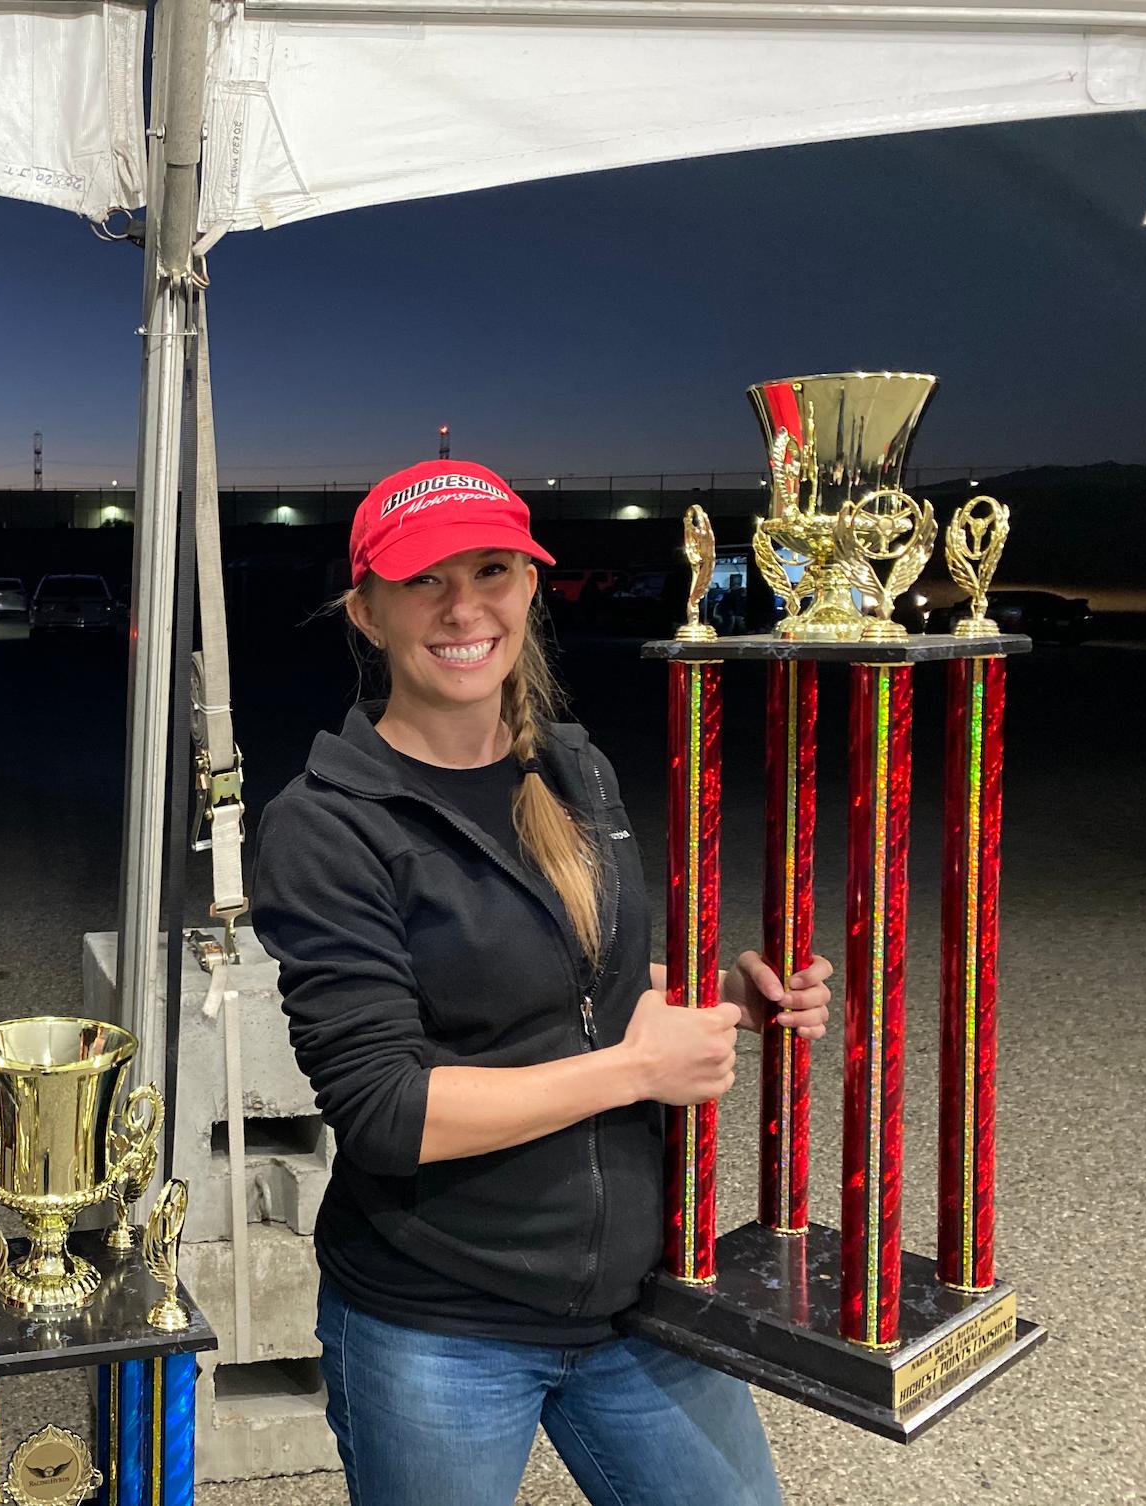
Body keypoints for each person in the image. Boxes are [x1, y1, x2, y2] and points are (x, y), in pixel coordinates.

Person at [250, 459, 833, 1506]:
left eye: (491, 571)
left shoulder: (571, 766)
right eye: (424, 580)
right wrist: (633, 1068)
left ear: (530, 587)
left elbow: (572, 979)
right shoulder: (326, 823)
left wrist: (717, 997)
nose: (463, 607)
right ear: (367, 609)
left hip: (640, 1303)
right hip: (439, 1325)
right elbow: (386, 1109)